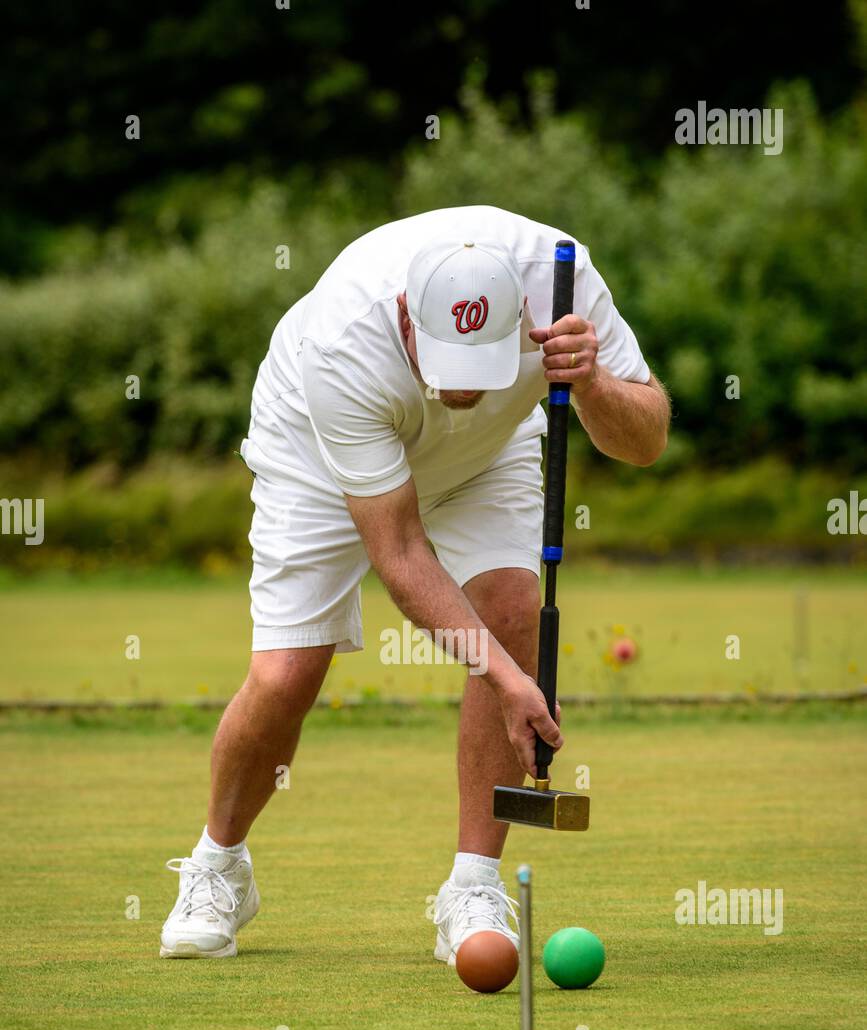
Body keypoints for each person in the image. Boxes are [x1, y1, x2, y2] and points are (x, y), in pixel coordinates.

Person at [160, 205, 669, 960]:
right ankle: (218, 865)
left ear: (520, 319)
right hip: (316, 443)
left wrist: (591, 383)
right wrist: (506, 681)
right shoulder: (345, 338)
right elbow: (398, 554)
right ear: (406, 316)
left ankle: (472, 884)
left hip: (488, 454)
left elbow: (648, 438)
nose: (460, 388)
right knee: (285, 673)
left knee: (511, 606)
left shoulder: (562, 280)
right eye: (445, 366)